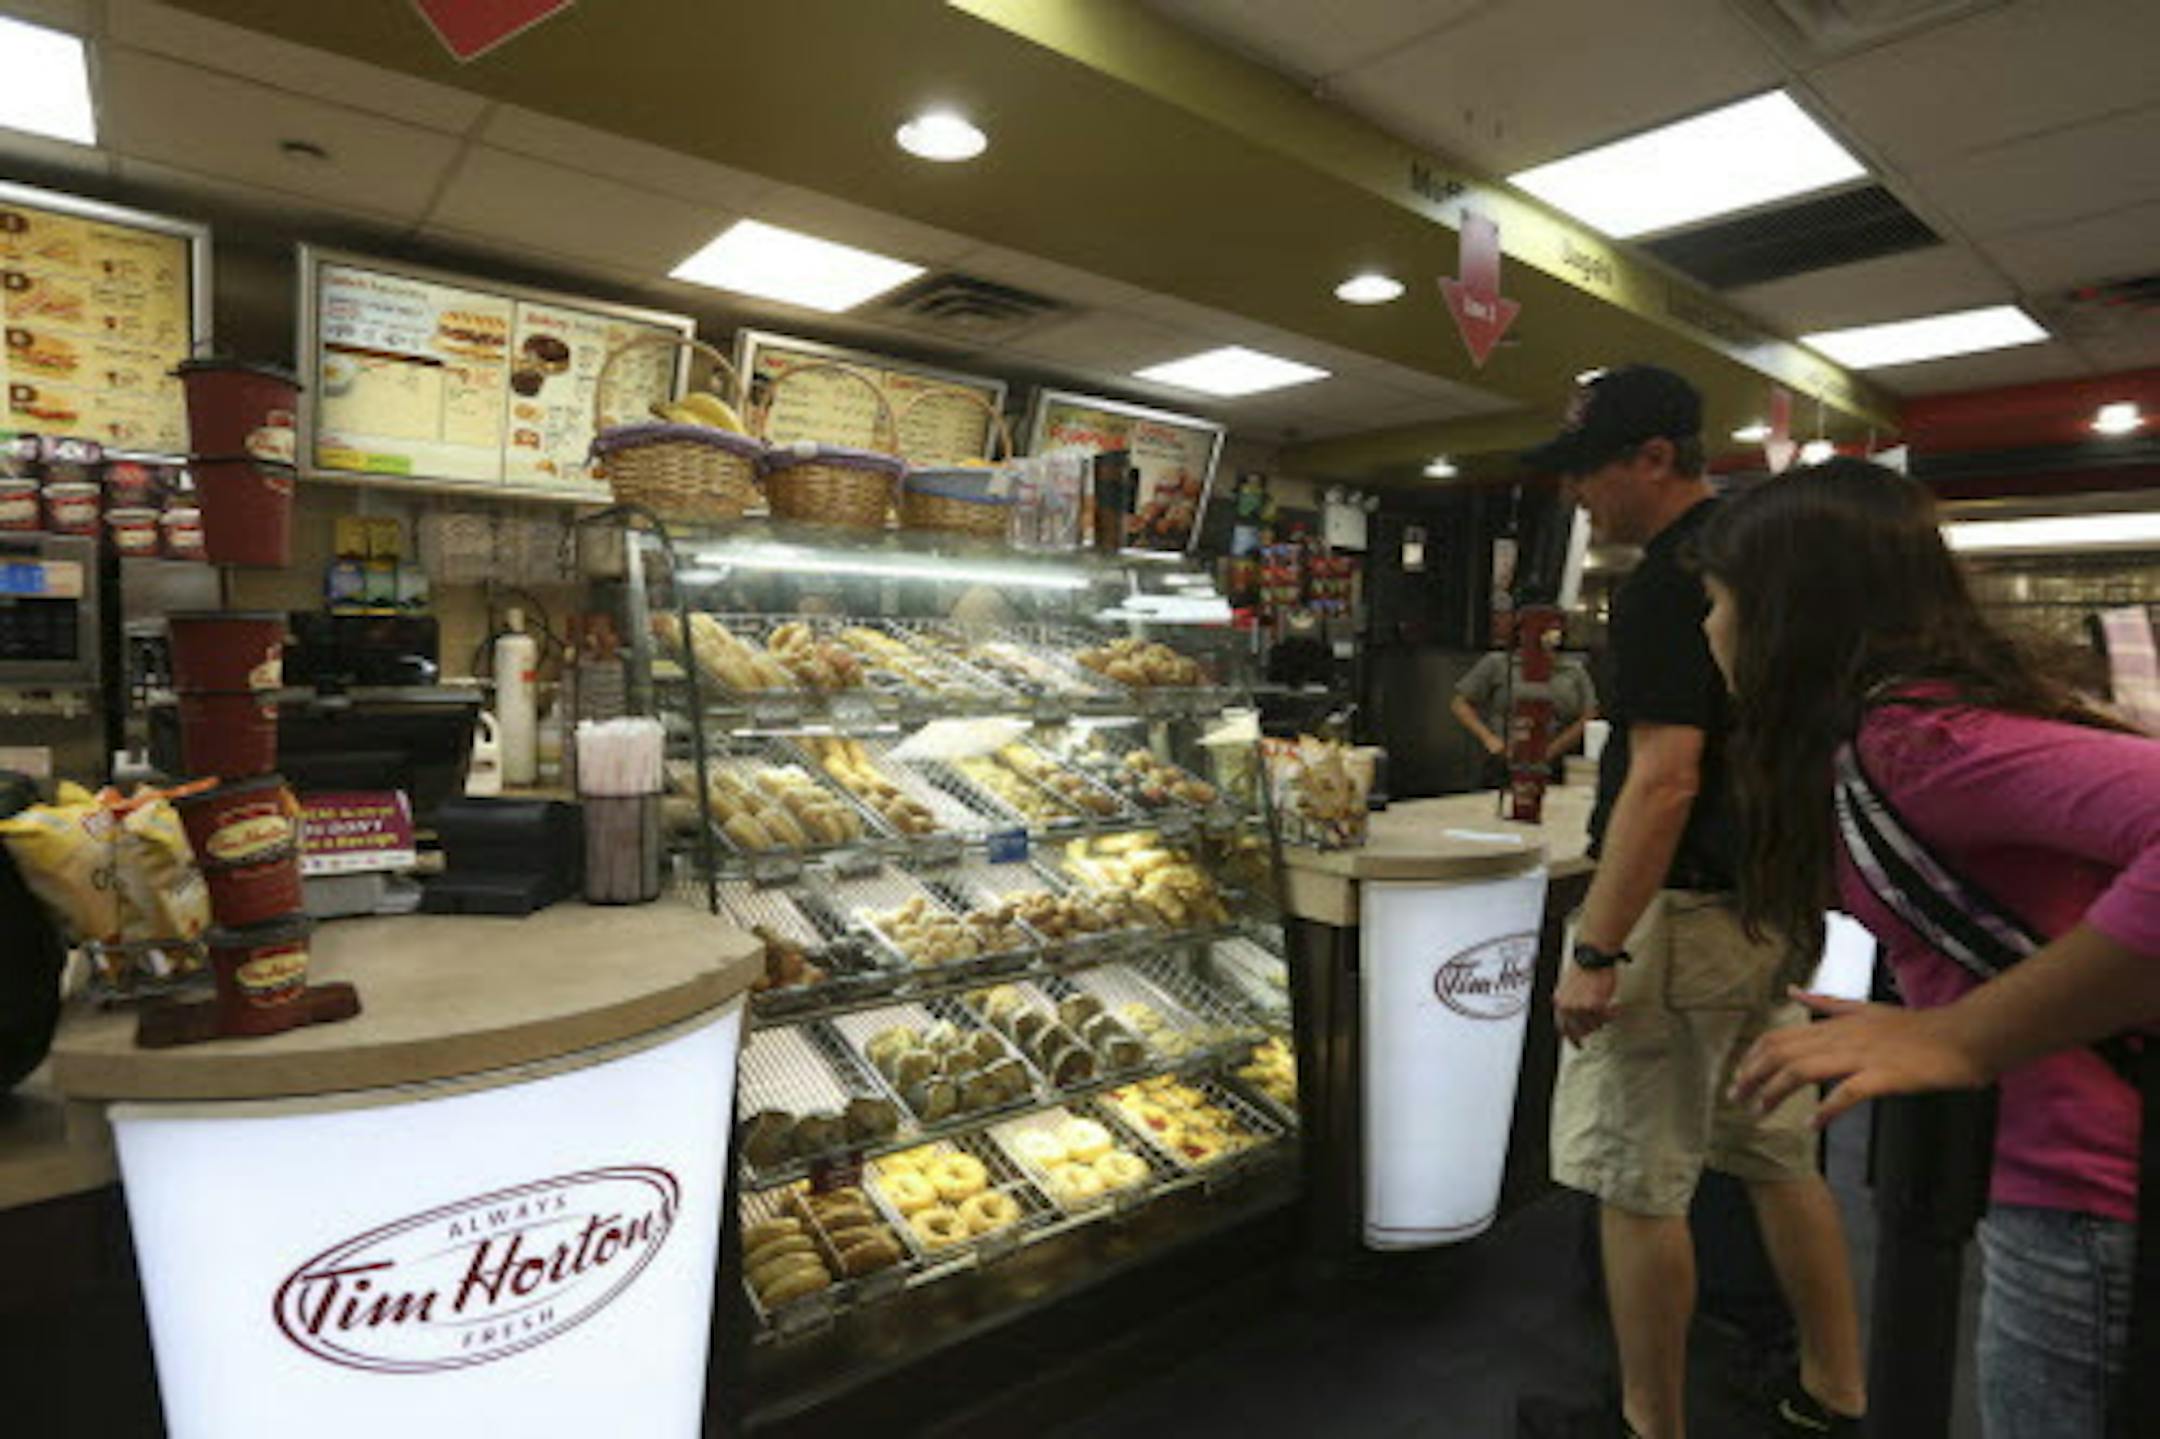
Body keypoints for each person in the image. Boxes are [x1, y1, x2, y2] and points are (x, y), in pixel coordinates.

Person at [1699, 459, 2160, 1439]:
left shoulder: (1915, 741)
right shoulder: (1909, 731)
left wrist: (1965, 1036)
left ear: (1785, 609)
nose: (1710, 628)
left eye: (1720, 598)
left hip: (2089, 1200)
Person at [1525, 367, 1867, 1439]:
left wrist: (1598, 946)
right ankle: (1834, 1388)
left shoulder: (1673, 580)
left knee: (1637, 1175)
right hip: (1772, 905)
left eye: (1588, 470)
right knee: (1776, 1156)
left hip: (1678, 920)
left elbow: (1666, 777)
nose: (1577, 495)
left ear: (1654, 458)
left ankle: (1646, 1421)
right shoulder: (1772, 554)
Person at [1450, 627, 1599, 789]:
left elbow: (1590, 713)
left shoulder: (1574, 670)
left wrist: (1555, 747)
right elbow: (1459, 703)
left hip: (1554, 763)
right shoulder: (1498, 663)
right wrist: (1489, 739)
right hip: (1504, 761)